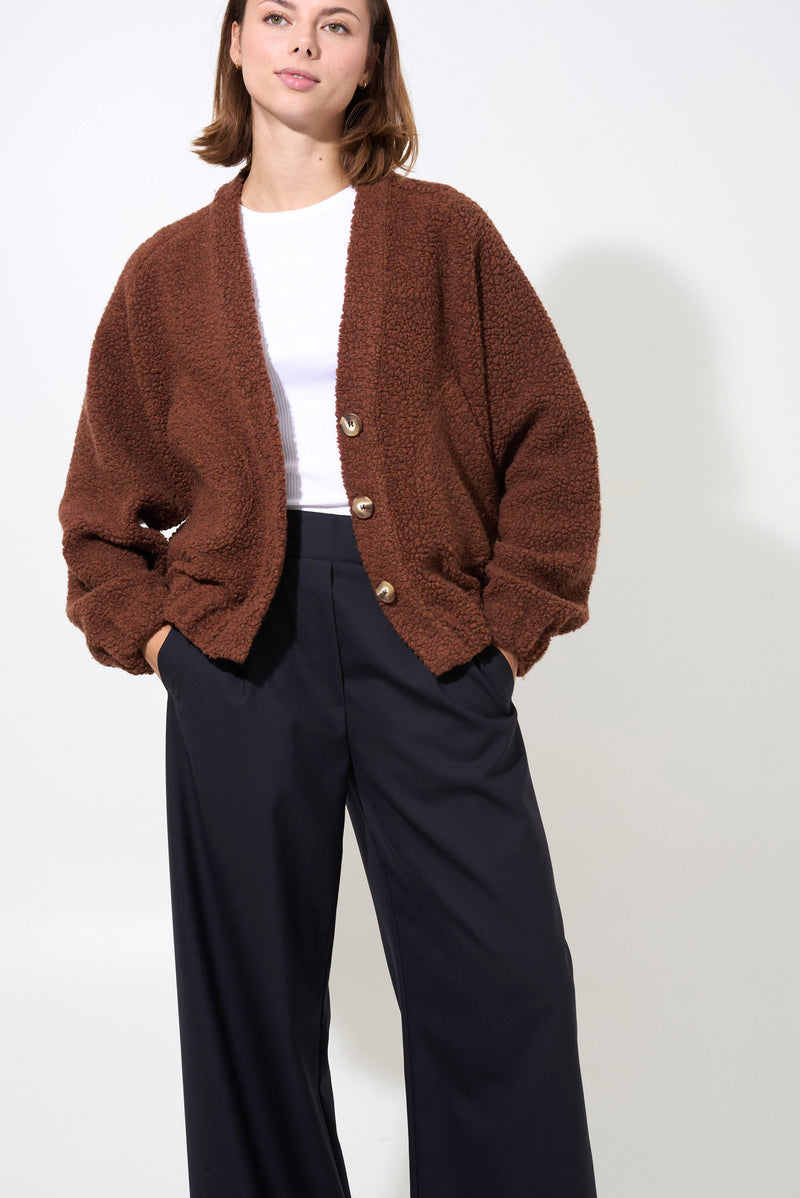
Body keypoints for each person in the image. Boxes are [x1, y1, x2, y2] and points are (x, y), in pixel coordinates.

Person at [58, 0, 602, 1194]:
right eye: (277, 15)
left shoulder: (443, 234)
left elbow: (550, 439)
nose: (303, 41)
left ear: (370, 61)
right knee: (248, 1003)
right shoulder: (167, 272)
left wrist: (508, 627)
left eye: (337, 22)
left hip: (428, 629)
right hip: (239, 641)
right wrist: (165, 645)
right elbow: (101, 508)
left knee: (500, 980)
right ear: (236, 43)